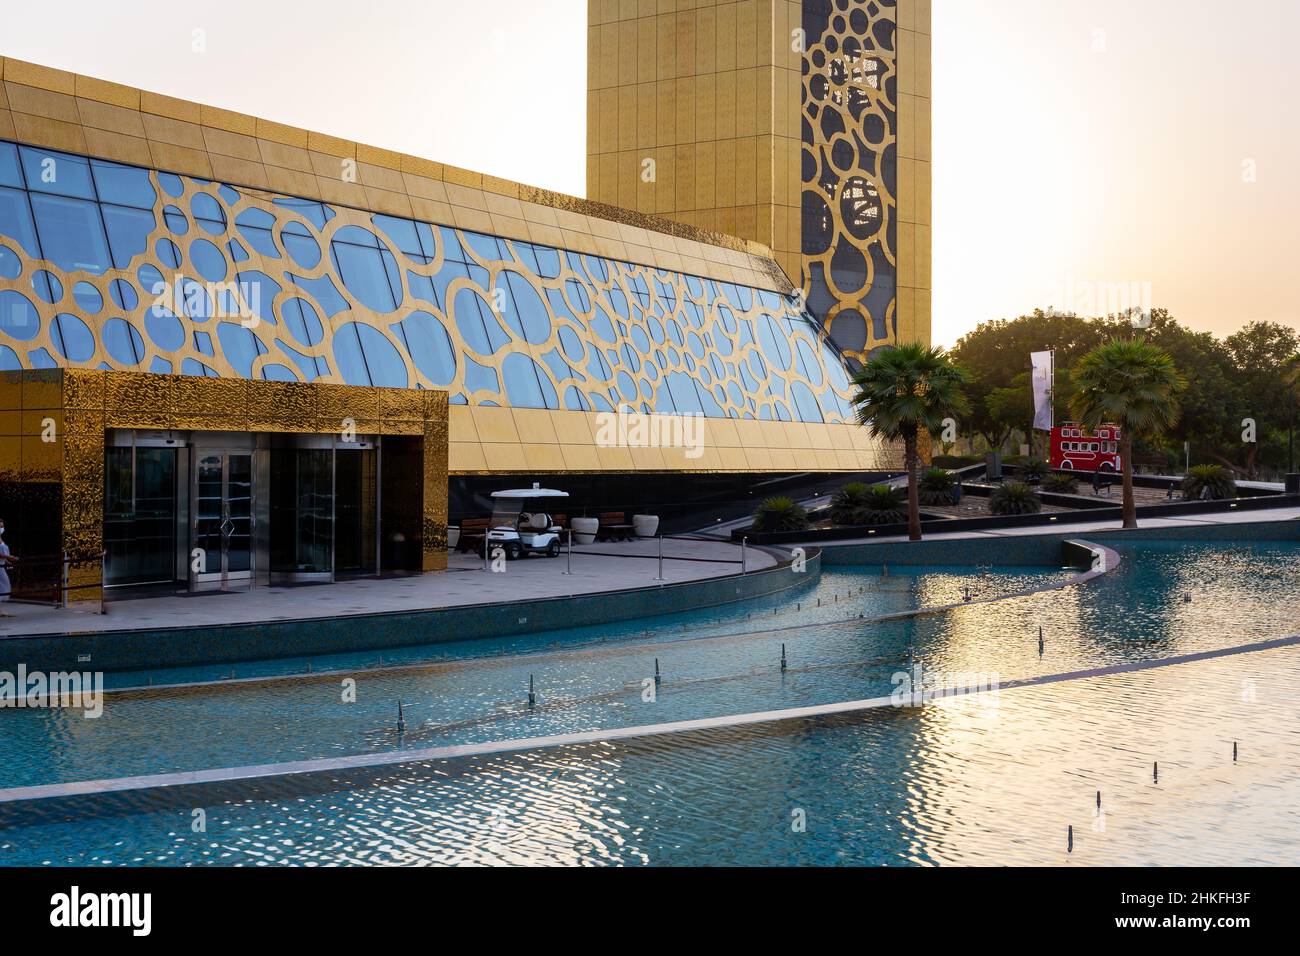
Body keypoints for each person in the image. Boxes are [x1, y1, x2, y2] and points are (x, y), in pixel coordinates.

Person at [0, 518, 16, 615]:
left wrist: (6, 560)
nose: (2, 528)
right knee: (3, 586)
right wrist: (9, 557)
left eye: (2, 526)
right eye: (0, 526)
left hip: (1, 566)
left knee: (3, 586)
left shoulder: (0, 538)